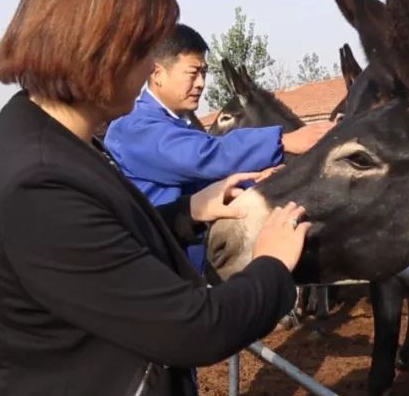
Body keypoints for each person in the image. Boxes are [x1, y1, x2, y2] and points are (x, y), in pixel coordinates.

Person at [0, 0, 311, 396]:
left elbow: (101, 247)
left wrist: (191, 212)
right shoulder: (38, 184)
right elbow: (196, 327)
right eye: (145, 50)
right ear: (100, 47)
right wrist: (273, 266)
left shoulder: (43, 134)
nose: (150, 69)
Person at [104, 23, 332, 271]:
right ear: (157, 73)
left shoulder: (180, 127)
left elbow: (209, 185)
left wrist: (257, 181)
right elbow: (203, 157)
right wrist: (283, 141)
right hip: (155, 268)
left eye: (204, 73)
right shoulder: (133, 128)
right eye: (193, 73)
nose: (201, 83)